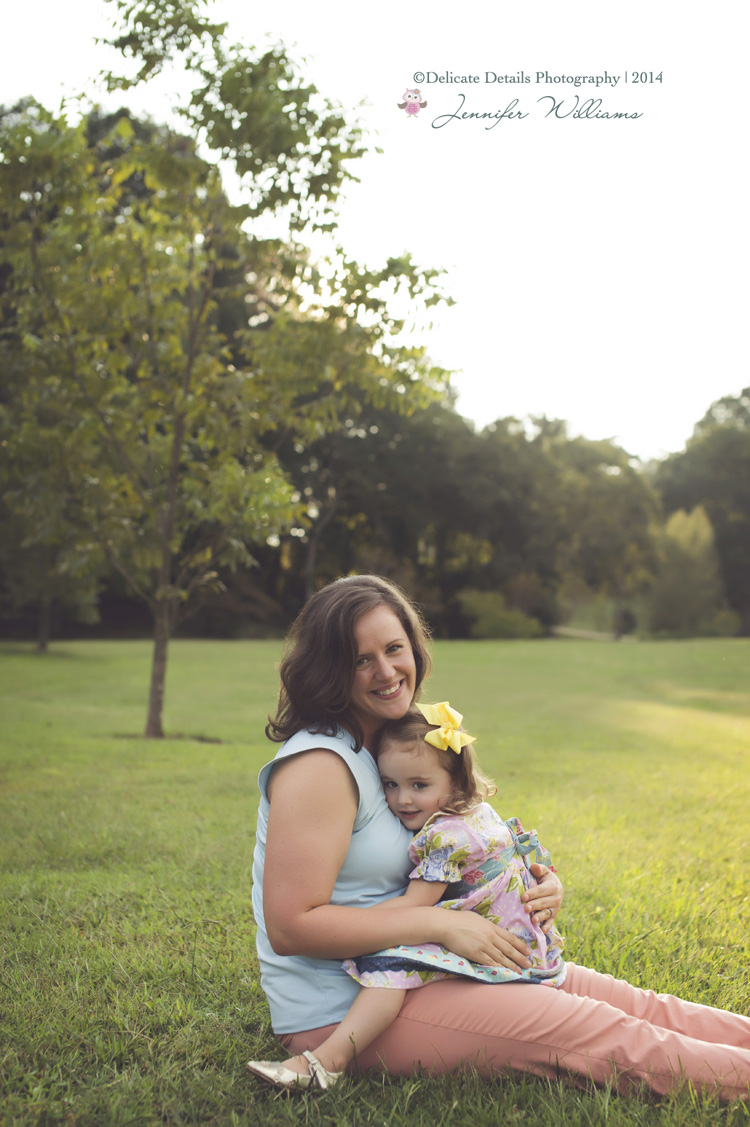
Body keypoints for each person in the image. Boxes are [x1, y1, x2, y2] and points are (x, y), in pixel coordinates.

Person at [248, 574, 750, 1098]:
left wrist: (537, 885)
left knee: (640, 1005)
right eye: (360, 659)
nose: (386, 671)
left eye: (395, 649)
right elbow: (290, 927)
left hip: (440, 964)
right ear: (329, 669)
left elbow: (467, 839)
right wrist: (438, 925)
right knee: (611, 1036)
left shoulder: (394, 743)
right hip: (352, 1003)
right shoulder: (320, 767)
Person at [248, 700, 566, 1089]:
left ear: (456, 783)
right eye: (391, 785)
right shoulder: (477, 812)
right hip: (520, 935)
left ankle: (329, 1061)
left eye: (419, 786)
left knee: (392, 967)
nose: (402, 800)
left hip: (497, 941)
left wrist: (352, 925)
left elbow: (416, 905)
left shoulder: (444, 838)